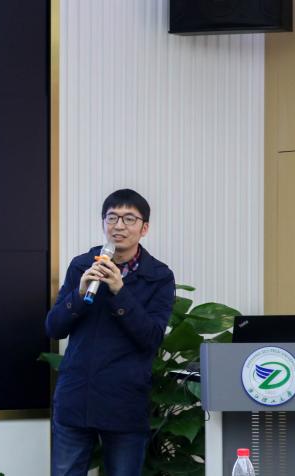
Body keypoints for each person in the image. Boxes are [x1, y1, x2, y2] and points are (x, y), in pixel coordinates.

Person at [46, 188, 175, 476]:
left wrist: (120, 291)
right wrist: (79, 295)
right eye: (112, 217)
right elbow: (54, 328)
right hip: (77, 397)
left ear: (144, 228)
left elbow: (151, 338)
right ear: (103, 223)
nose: (119, 226)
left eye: (129, 219)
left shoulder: (159, 276)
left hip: (124, 401)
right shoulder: (82, 265)